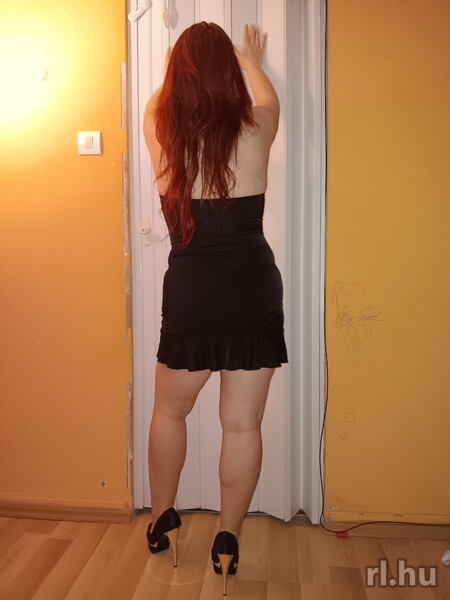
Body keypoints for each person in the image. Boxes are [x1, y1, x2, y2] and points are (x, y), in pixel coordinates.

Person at [143, 21, 288, 595]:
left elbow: (157, 100)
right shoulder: (255, 131)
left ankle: (162, 517)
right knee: (243, 424)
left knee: (169, 412)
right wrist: (250, 61)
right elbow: (270, 100)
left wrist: (175, 69)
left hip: (192, 294)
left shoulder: (162, 134)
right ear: (229, 75)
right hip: (253, 290)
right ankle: (228, 538)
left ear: (178, 76)